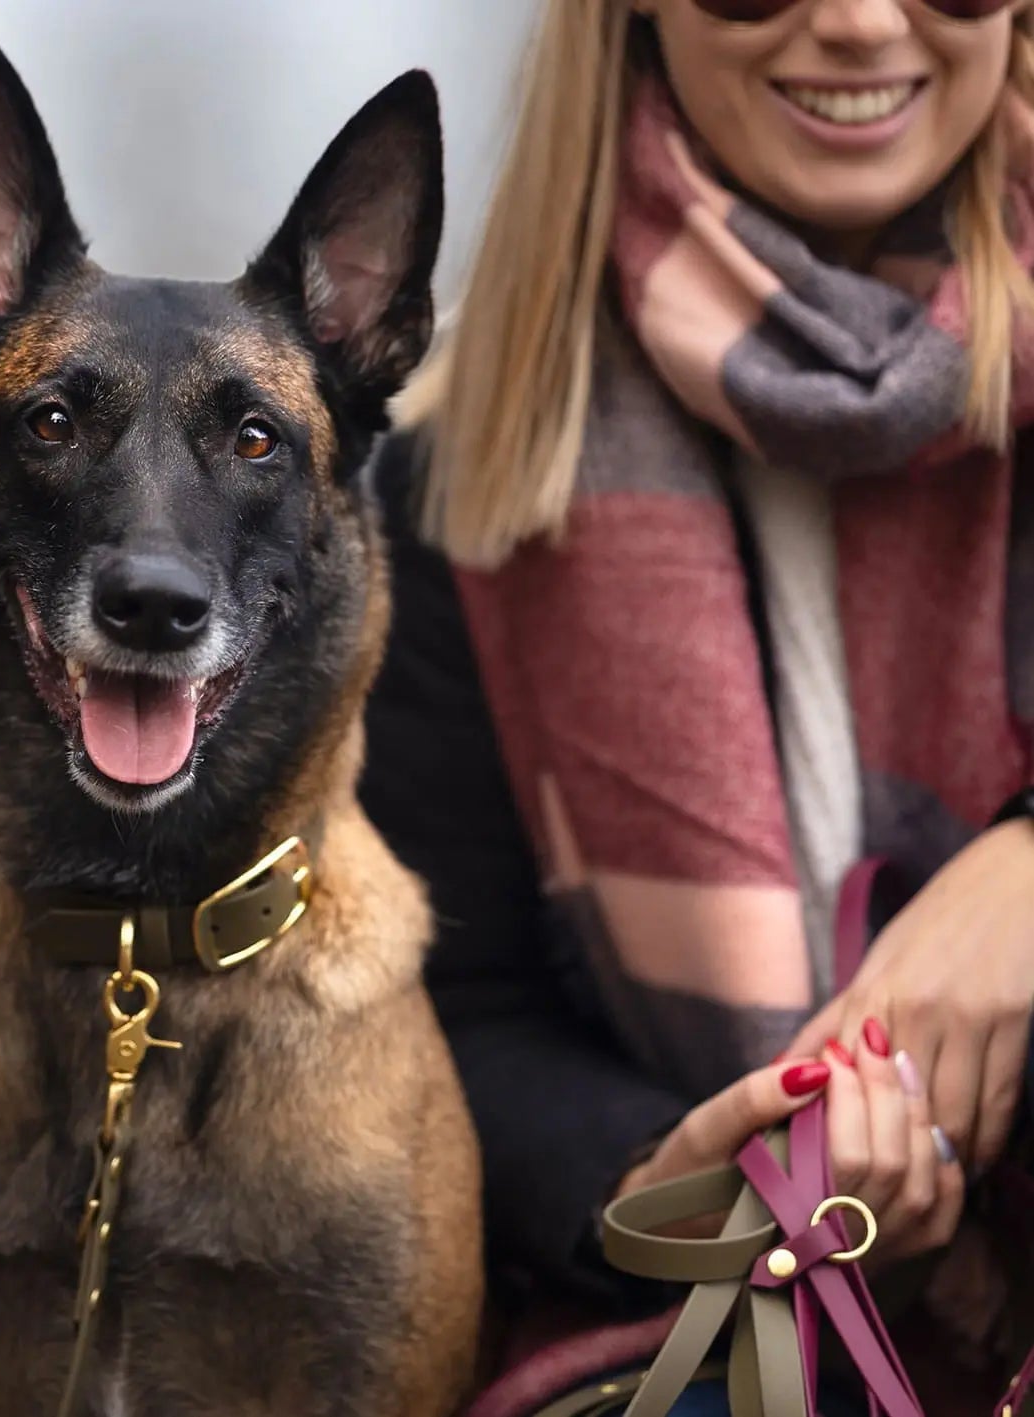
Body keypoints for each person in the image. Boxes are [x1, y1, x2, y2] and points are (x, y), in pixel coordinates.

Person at [360, 0, 1034, 1408]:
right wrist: (657, 1172)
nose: (857, 21)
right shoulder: (451, 478)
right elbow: (450, 1011)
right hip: (713, 1326)